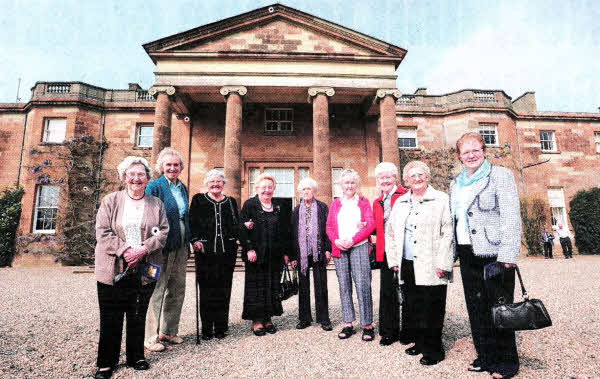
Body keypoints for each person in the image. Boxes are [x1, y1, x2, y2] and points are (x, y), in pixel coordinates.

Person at [450, 132, 522, 378]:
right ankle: (486, 357)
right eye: (465, 152)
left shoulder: (500, 175)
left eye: (475, 150)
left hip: (494, 252)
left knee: (500, 307)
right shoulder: (455, 183)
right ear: (459, 157)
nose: (471, 155)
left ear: (483, 151)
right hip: (466, 251)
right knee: (476, 308)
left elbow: (511, 215)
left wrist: (508, 254)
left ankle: (507, 363)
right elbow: (456, 220)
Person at [93, 156, 169, 379]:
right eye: (132, 174)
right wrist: (126, 251)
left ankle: (136, 356)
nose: (136, 178)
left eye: (141, 175)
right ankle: (106, 362)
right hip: (113, 268)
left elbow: (163, 231)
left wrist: (143, 249)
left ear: (147, 178)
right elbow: (103, 232)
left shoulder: (156, 204)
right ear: (125, 177)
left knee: (138, 312)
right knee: (111, 315)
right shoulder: (111, 201)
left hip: (147, 268)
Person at [385, 161, 453, 366]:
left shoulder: (441, 199)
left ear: (427, 176)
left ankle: (434, 350)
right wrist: (394, 261)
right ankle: (420, 342)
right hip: (407, 262)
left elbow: (447, 233)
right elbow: (391, 234)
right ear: (406, 180)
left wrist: (444, 263)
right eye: (412, 175)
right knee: (413, 305)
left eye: (421, 174)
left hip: (432, 263)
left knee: (432, 306)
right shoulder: (400, 202)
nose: (417, 178)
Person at [144, 148, 191, 351]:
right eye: (168, 164)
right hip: (160, 247)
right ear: (162, 167)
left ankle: (169, 331)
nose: (172, 168)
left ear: (181, 167)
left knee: (177, 288)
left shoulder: (182, 188)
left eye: (176, 165)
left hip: (180, 244)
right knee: (156, 289)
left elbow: (184, 216)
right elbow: (147, 216)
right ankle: (150, 337)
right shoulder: (154, 186)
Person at [326, 169, 376, 341]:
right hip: (340, 248)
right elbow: (329, 227)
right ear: (340, 185)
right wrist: (336, 241)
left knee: (363, 284)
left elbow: (370, 224)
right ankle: (348, 323)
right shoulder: (335, 204)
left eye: (352, 182)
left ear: (357, 184)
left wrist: (353, 240)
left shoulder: (363, 202)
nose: (349, 186)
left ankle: (367, 324)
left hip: (359, 246)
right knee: (344, 286)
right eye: (346, 183)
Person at [239, 173, 291, 336]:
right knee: (256, 287)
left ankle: (268, 318)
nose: (267, 190)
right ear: (257, 189)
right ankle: (257, 320)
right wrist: (249, 249)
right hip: (256, 255)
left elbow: (284, 232)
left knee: (272, 286)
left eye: (270, 187)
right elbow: (241, 228)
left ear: (274, 189)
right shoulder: (250, 205)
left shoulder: (278, 206)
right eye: (264, 187)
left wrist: (286, 253)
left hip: (274, 255)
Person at [189, 169, 239, 340]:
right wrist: (195, 240)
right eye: (212, 182)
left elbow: (235, 224)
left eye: (219, 181)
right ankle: (207, 328)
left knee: (223, 290)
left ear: (223, 183)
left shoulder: (231, 202)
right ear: (206, 184)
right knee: (207, 290)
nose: (216, 184)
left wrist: (240, 234)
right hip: (206, 253)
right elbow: (192, 222)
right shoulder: (198, 200)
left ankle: (221, 327)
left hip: (227, 253)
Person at [371, 162, 408, 346]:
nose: (384, 180)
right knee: (387, 291)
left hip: (405, 249)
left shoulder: (405, 195)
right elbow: (374, 227)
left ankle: (409, 331)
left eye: (388, 177)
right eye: (381, 178)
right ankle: (388, 331)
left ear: (395, 178)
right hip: (385, 251)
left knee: (408, 289)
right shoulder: (377, 202)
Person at [290, 177, 332, 331]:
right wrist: (293, 256)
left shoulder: (322, 207)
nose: (306, 192)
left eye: (309, 189)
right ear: (300, 192)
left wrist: (328, 249)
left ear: (314, 191)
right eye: (303, 190)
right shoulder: (295, 210)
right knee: (303, 286)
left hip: (318, 251)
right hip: (301, 253)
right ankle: (304, 318)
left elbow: (328, 229)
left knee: (321, 285)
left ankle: (324, 318)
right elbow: (292, 234)